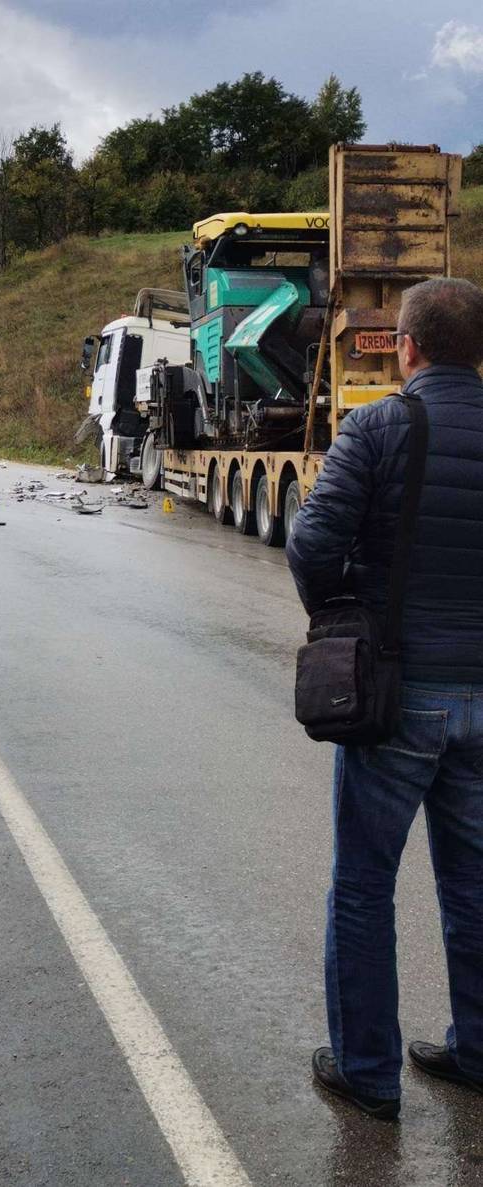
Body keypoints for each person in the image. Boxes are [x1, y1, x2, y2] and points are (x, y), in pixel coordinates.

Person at [286, 277, 483, 1120]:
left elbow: (312, 545)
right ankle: (475, 1049)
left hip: (400, 698)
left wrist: (346, 619)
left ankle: (367, 1072)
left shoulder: (378, 427)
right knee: (474, 885)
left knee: (364, 884)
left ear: (405, 345)